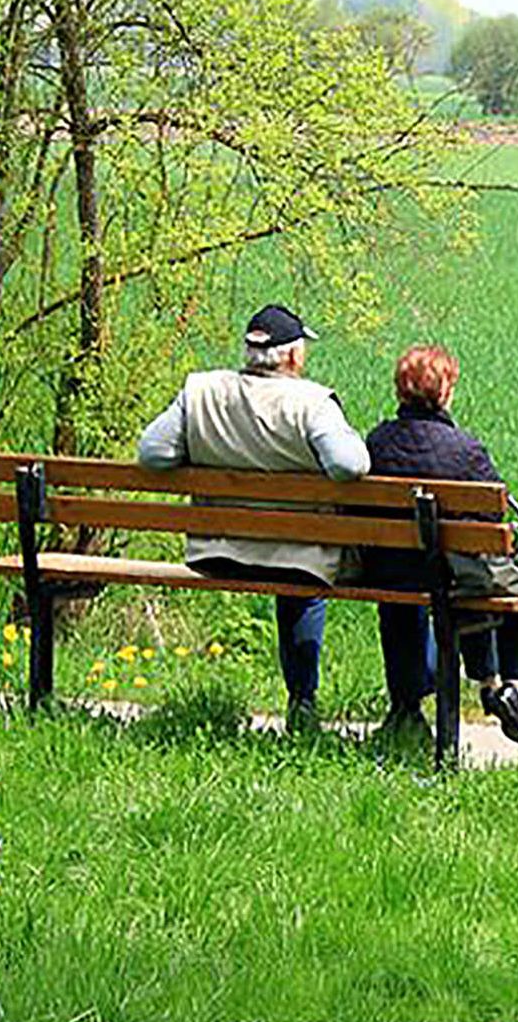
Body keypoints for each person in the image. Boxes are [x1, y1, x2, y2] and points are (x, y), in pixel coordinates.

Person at [137, 303, 371, 732]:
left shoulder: (202, 391)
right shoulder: (312, 403)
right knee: (304, 580)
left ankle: (302, 699)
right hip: (301, 560)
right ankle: (302, 701)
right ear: (294, 356)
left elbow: (152, 453)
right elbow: (348, 465)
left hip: (217, 552)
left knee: (299, 568)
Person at [362, 344, 518, 748]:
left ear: (400, 391)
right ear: (445, 393)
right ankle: (505, 681)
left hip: (386, 568)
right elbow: (490, 524)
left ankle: (407, 708)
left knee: (423, 585)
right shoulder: (465, 450)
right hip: (450, 575)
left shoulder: (376, 442)